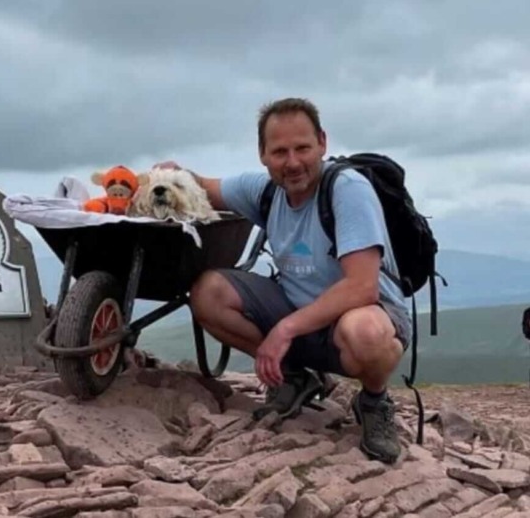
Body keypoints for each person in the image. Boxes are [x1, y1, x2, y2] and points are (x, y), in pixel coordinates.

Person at [159, 97, 412, 464]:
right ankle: (293, 377)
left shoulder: (347, 190)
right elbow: (203, 186)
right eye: (280, 151)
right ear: (262, 154)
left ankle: (374, 400)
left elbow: (362, 287)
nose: (293, 163)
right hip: (301, 313)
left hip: (362, 316)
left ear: (322, 143)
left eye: (303, 148)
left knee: (367, 334)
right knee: (207, 293)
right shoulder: (263, 190)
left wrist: (285, 330)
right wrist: (172, 174)